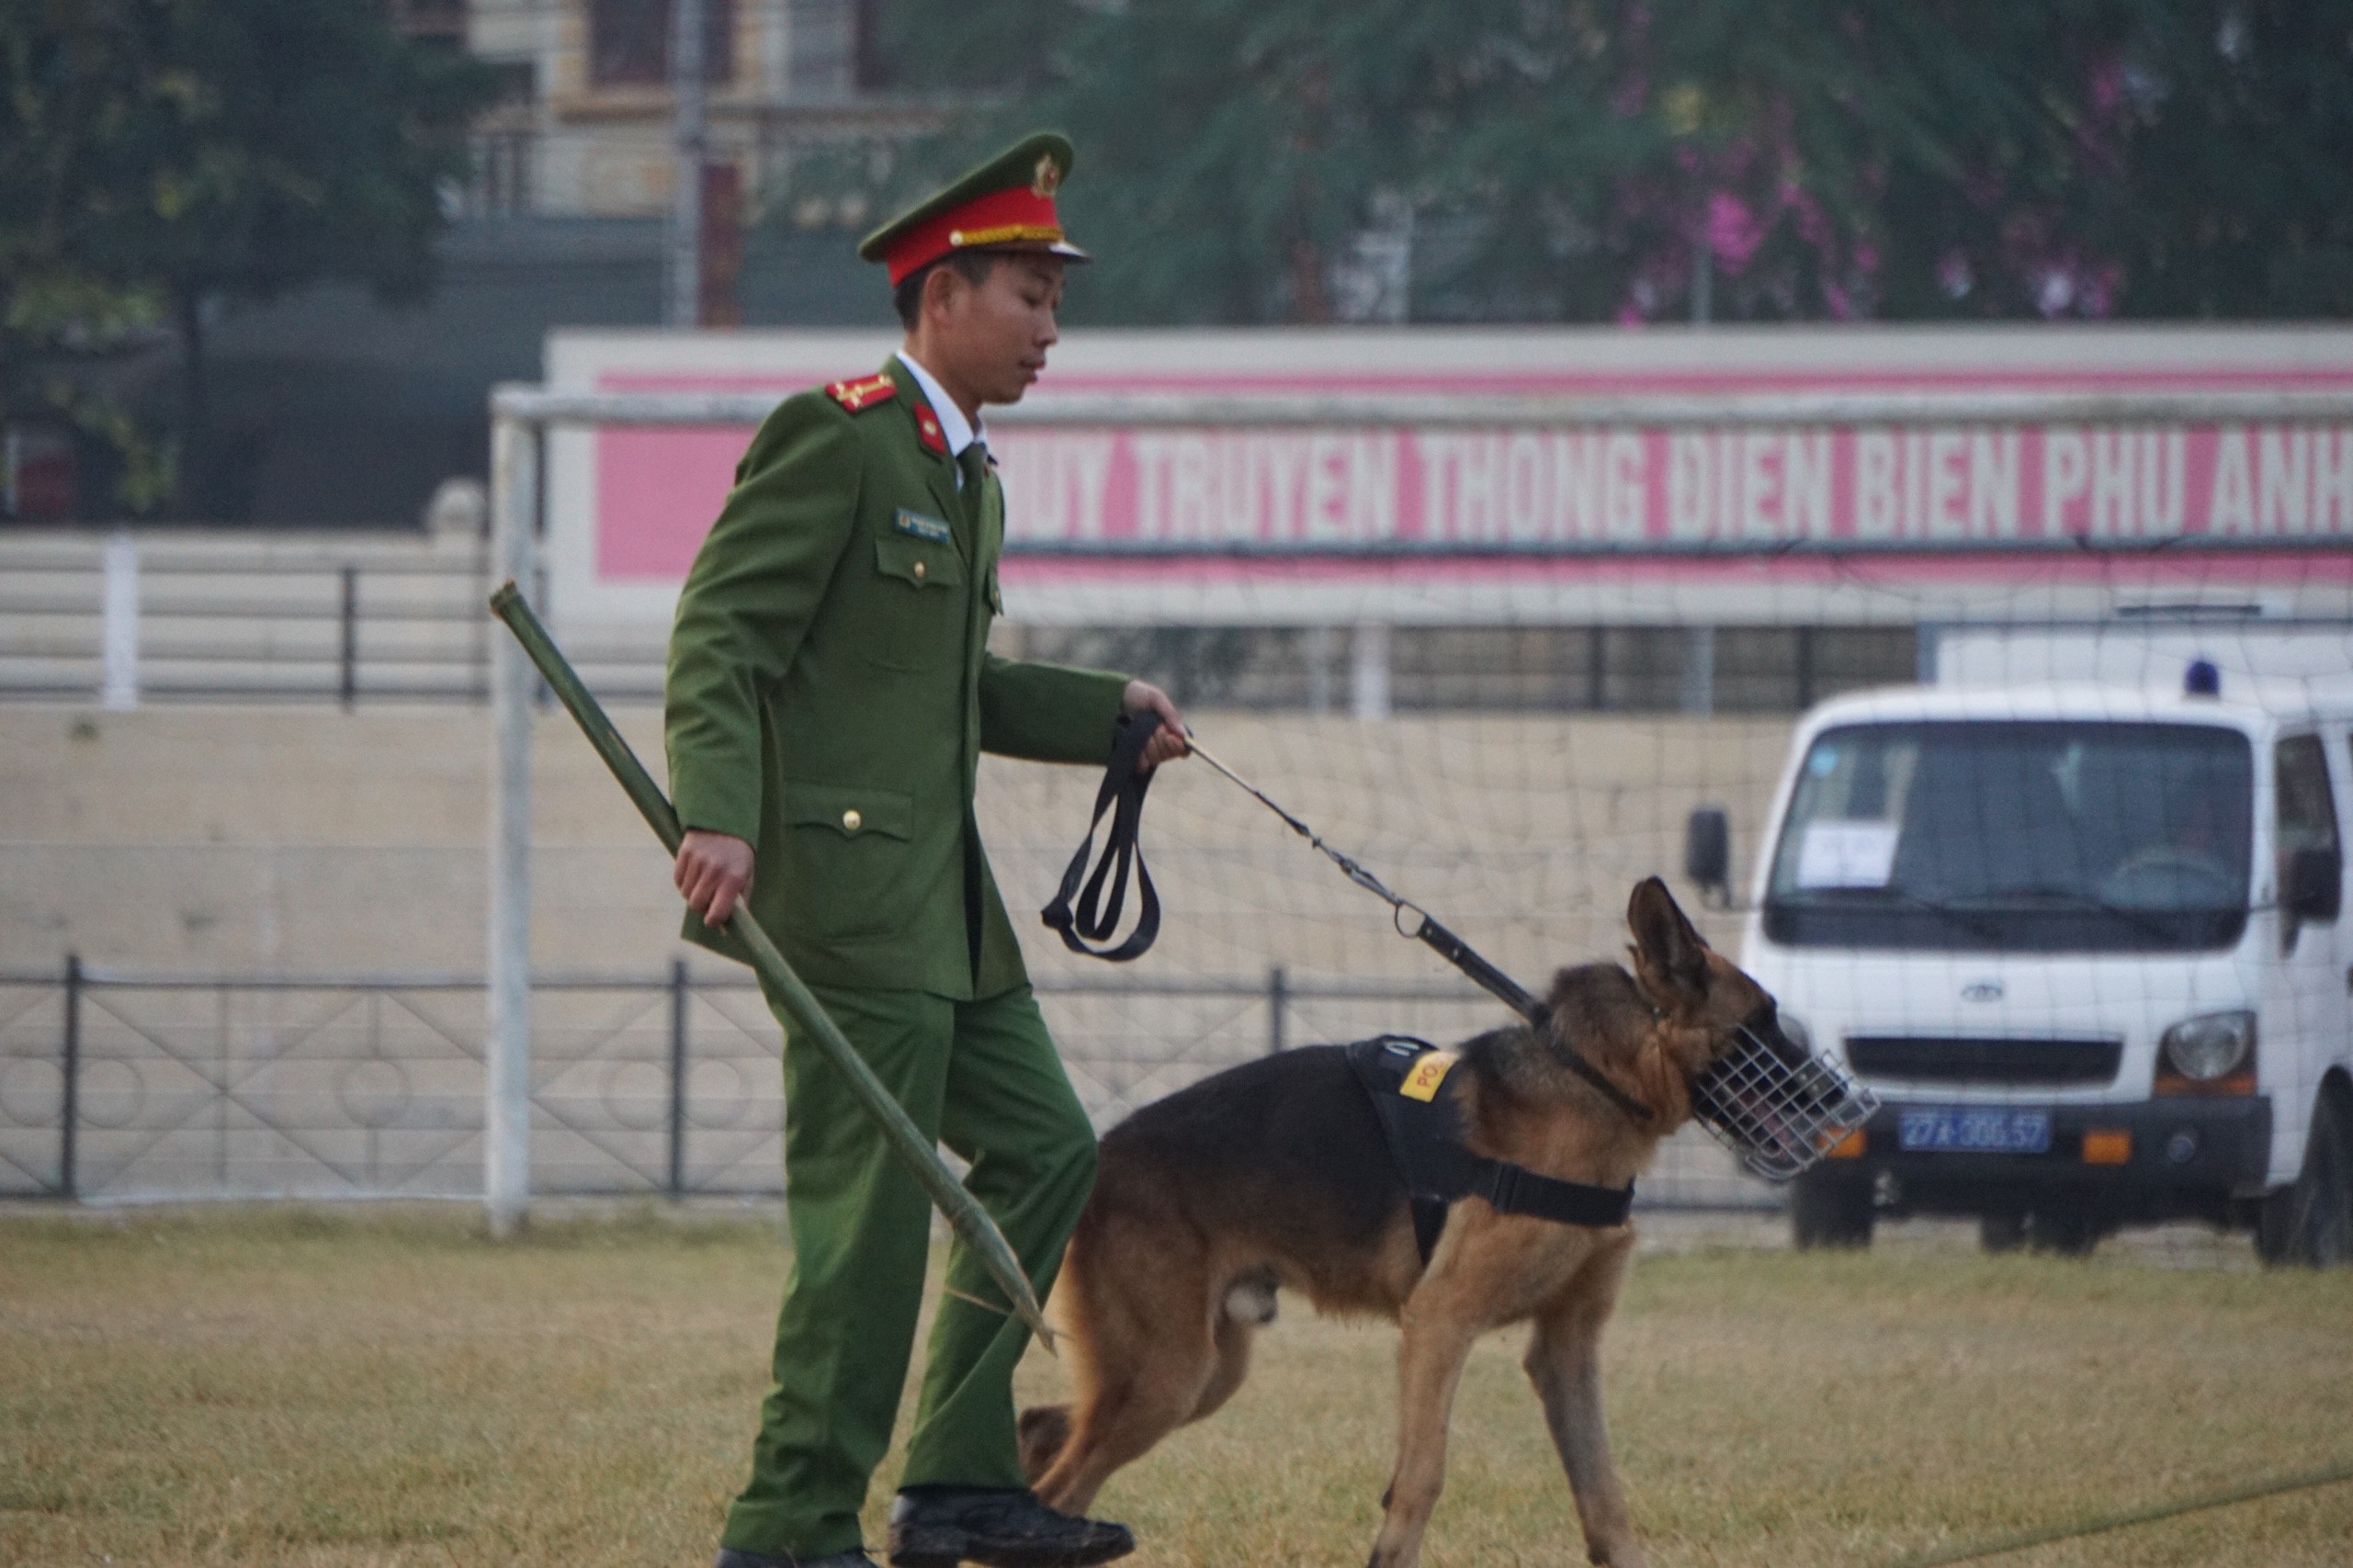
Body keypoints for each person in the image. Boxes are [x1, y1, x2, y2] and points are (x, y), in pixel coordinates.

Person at [664, 131, 1187, 1568]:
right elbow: (718, 636)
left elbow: (953, 694)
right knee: (869, 1227)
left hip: (943, 915)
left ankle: (957, 1481)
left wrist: (1108, 717)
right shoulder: (831, 437)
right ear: (942, 294)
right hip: (837, 903)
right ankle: (788, 1523)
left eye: (1054, 300)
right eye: (1029, 294)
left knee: (1044, 1153)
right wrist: (715, 808)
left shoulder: (967, 475)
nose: (1050, 328)